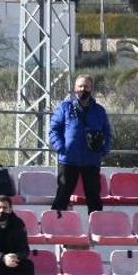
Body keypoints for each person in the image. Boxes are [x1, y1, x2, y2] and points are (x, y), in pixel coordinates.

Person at [49, 74, 112, 214]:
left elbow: (107, 132)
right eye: (80, 86)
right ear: (75, 88)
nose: (83, 89)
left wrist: (103, 150)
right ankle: (54, 229)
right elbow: (54, 129)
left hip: (91, 161)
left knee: (94, 199)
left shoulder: (99, 110)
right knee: (62, 197)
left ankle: (97, 229)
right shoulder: (65, 108)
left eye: (86, 86)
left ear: (92, 88)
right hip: (68, 160)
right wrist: (61, 148)